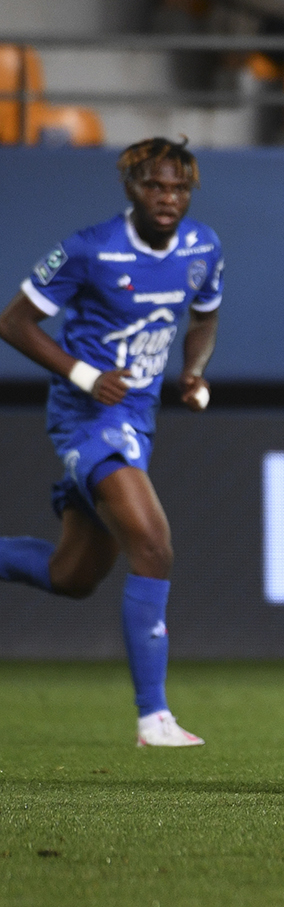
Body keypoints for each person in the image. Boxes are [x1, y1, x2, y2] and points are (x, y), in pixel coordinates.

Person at [0, 138, 222, 748]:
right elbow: (13, 321)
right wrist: (83, 375)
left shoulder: (203, 247)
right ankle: (154, 717)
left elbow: (204, 315)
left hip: (138, 417)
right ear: (132, 187)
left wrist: (194, 371)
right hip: (85, 416)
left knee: (71, 575)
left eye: (178, 188)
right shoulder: (89, 249)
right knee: (153, 544)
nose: (168, 198)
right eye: (156, 186)